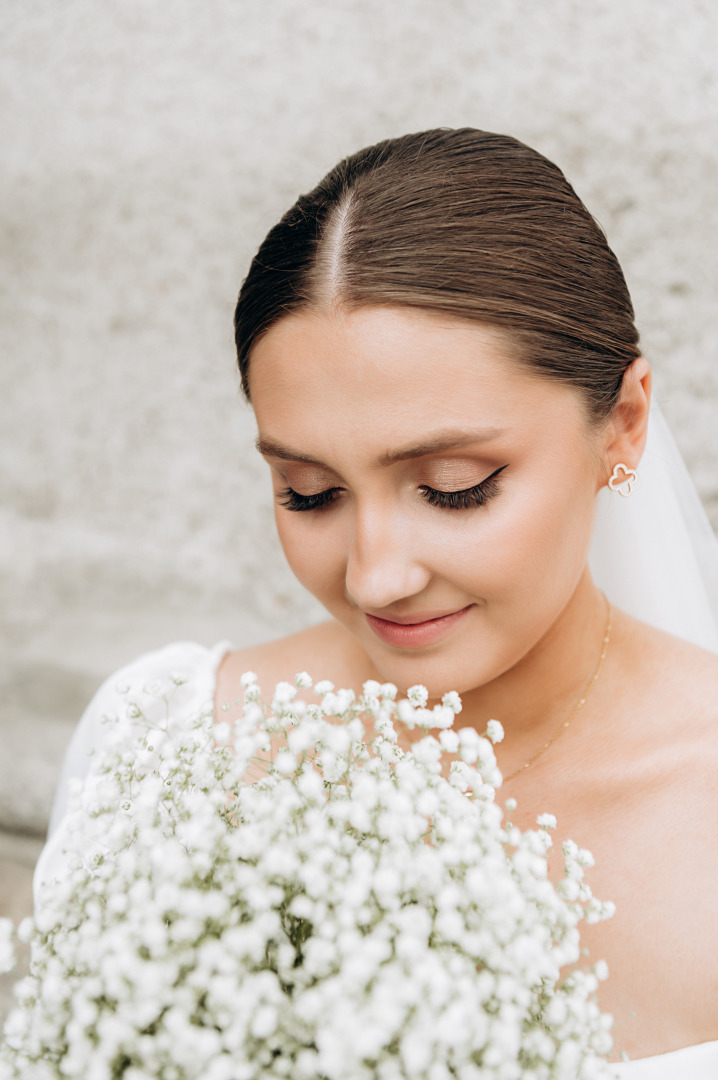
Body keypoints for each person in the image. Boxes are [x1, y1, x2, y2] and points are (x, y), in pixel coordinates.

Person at [35, 129, 718, 1077]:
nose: (374, 577)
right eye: (309, 492)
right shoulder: (167, 743)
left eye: (455, 485)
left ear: (625, 425)